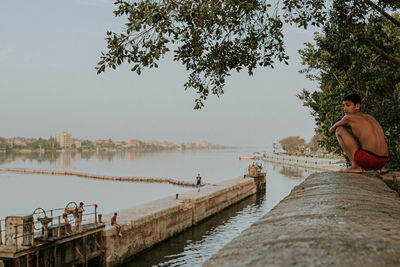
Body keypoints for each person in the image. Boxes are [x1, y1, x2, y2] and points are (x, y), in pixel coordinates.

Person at [329, 93, 389, 173]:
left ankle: (355, 166)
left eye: (348, 105)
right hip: (383, 160)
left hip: (367, 159)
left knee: (339, 130)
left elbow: (331, 130)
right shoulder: (370, 117)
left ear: (357, 106)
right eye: (344, 106)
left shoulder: (348, 117)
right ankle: (382, 169)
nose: (345, 109)